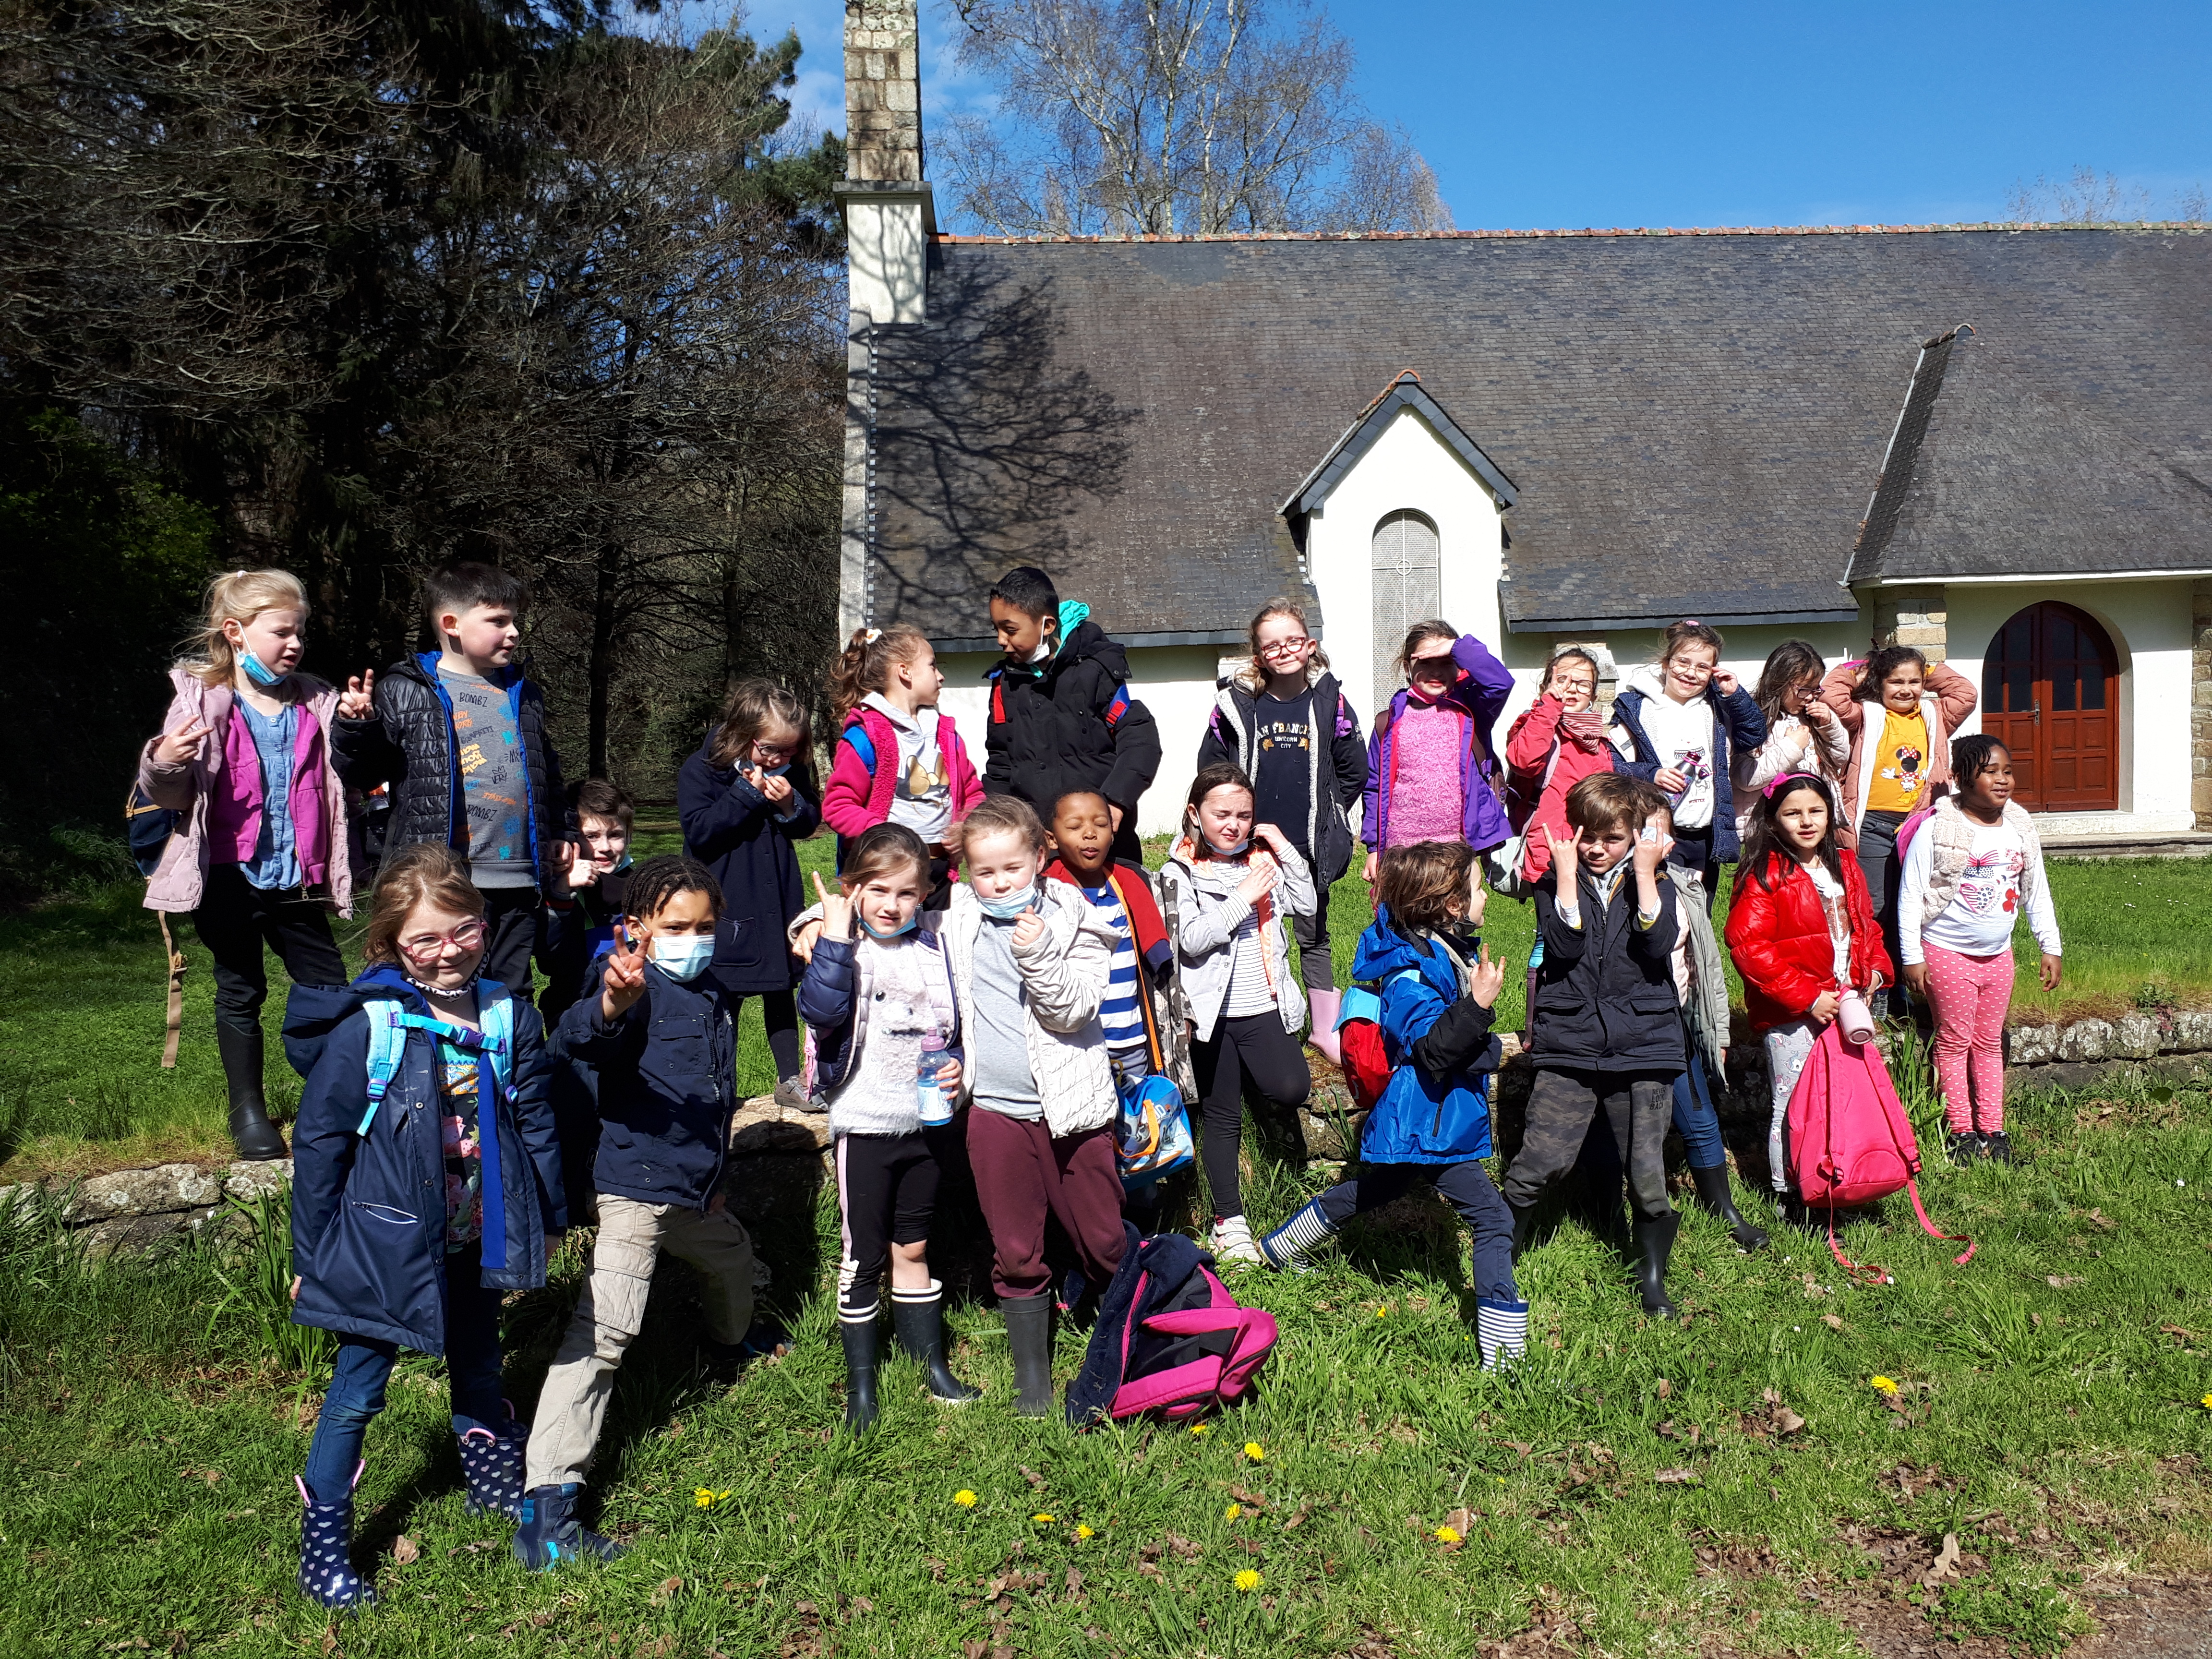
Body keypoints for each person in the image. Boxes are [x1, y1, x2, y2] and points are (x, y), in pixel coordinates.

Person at [283, 844, 565, 1609]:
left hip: (480, 1229)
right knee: (357, 1391)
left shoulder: (508, 1016)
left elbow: (535, 1121)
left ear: (485, 924)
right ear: (390, 946)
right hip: (383, 1243)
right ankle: (326, 1548)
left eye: (464, 931)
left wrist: (549, 1218)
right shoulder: (370, 1027)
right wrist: (313, 1254)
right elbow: (320, 1145)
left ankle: (490, 1480)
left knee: (480, 1358)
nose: (450, 952)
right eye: (426, 941)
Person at [517, 856, 781, 1569]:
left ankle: (729, 1344)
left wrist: (716, 1176)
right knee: (605, 1332)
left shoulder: (717, 993)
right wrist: (611, 1003)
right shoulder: (629, 988)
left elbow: (719, 1095)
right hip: (635, 1190)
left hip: (694, 1191)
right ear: (637, 929)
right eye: (674, 928)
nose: (691, 939)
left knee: (732, 1263)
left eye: (704, 927)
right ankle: (547, 1506)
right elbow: (578, 1036)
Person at [1256, 842, 1527, 1369]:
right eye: (1476, 888)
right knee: (1493, 1219)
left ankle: (1276, 1251)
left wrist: (1487, 1044)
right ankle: (1504, 1358)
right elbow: (1431, 1049)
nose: (1485, 899)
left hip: (1420, 1120)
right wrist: (1479, 1008)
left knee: (1369, 1192)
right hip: (1427, 1122)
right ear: (1450, 905)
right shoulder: (1412, 973)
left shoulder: (1434, 950)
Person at [139, 568, 371, 1160]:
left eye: (300, 634)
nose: (294, 645)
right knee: (239, 986)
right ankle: (247, 1108)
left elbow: (354, 774)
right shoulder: (202, 699)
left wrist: (355, 726)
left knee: (327, 986)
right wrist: (165, 759)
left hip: (298, 876)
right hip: (227, 876)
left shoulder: (318, 701)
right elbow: (165, 791)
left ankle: (334, 1099)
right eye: (282, 633)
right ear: (236, 633)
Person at [943, 796, 1124, 1416]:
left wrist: (1040, 953)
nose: (999, 883)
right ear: (968, 872)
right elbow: (891, 902)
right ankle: (1033, 1381)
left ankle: (1123, 1339)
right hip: (994, 1110)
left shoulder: (1078, 919)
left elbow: (1073, 1010)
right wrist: (815, 924)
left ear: (1041, 858)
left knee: (1101, 1239)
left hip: (1072, 1111)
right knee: (1016, 1247)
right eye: (985, 871)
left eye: (1012, 869)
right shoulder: (961, 916)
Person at [795, 825, 977, 1431]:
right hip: (866, 1125)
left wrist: (953, 1063)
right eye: (877, 890)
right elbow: (821, 1012)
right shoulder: (842, 948)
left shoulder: (934, 947)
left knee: (915, 1245)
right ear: (853, 891)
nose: (891, 904)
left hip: (925, 1125)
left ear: (924, 895)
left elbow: (947, 1028)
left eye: (905, 893)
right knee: (862, 1256)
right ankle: (863, 1387)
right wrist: (830, 936)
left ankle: (931, 1367)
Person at [339, 560, 576, 999]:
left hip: (520, 879)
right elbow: (365, 774)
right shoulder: (407, 688)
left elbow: (549, 772)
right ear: (451, 624)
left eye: (515, 621)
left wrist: (562, 830)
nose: (514, 632)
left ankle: (506, 1069)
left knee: (511, 992)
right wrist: (358, 729)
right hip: (444, 879)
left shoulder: (523, 693)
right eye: (498, 621)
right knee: (436, 988)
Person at [1503, 773, 1683, 1317]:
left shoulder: (1657, 881)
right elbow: (1563, 945)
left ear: (1636, 836)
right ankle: (1499, 1254)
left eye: (1613, 839)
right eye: (1588, 837)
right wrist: (1562, 878)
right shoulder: (1555, 883)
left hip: (1645, 1042)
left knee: (1649, 1174)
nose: (1598, 850)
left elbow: (1657, 944)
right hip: (1571, 1040)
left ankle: (1651, 1276)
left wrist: (1648, 874)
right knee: (1541, 1158)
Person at [1196, 598, 1366, 1061]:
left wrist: (1331, 814)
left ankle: (1324, 1027)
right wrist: (1224, 822)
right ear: (1258, 656)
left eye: (1294, 641)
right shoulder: (1237, 705)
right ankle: (1257, 1021)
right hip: (1247, 848)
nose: (1285, 650)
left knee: (1313, 934)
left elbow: (1355, 768)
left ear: (1310, 645)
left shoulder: (1330, 702)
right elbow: (1210, 768)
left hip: (1308, 847)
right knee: (1253, 932)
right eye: (1273, 645)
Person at [1159, 763, 1316, 1264]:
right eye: (1221, 813)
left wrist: (1284, 848)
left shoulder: (1262, 860)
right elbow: (1191, 940)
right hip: (1213, 1016)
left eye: (1244, 815)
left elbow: (1307, 903)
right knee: (1222, 1118)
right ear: (1195, 813)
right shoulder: (1178, 871)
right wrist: (1241, 899)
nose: (1233, 824)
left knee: (1292, 1086)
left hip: (1263, 1004)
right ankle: (1231, 1225)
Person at [1724, 774, 1892, 1228]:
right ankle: (1791, 1193)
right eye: (1793, 813)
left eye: (1815, 811)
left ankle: (1836, 1180)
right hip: (1793, 1012)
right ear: (1773, 820)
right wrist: (1806, 997)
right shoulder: (1765, 872)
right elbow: (1748, 946)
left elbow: (1865, 925)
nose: (1806, 822)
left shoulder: (1844, 864)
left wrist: (1874, 968)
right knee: (1794, 1101)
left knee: (1839, 1097)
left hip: (1846, 1001)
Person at [1899, 736, 2062, 1166]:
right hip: (1947, 952)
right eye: (1990, 771)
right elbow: (1911, 895)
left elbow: (2036, 890)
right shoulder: (1940, 827)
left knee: (1989, 1042)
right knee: (1954, 1041)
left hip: (1998, 955)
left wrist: (2050, 944)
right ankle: (1961, 1132)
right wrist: (1912, 956)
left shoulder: (2020, 826)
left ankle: (1994, 1128)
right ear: (1961, 779)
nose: (2002, 780)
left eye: (2007, 771)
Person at [677, 679, 819, 1112]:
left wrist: (791, 804)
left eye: (790, 752)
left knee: (781, 987)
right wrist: (745, 795)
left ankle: (790, 1079)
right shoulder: (702, 771)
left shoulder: (786, 773)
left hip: (777, 897)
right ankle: (720, 1082)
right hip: (726, 900)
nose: (780, 760)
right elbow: (700, 832)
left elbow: (808, 823)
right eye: (771, 749)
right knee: (727, 994)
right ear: (742, 735)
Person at [1819, 645, 1977, 1016]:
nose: (1906, 689)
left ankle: (1905, 986)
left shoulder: (1936, 716)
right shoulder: (1867, 716)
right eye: (1896, 681)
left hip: (1918, 825)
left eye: (1915, 681)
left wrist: (1931, 667)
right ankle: (1876, 983)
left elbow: (1965, 693)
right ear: (1880, 683)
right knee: (1876, 906)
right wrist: (1863, 667)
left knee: (1913, 907)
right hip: (1873, 823)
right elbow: (1832, 694)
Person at [982, 565, 1162, 865]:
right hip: (1040, 849)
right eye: (997, 629)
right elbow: (1001, 761)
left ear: (1048, 625)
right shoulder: (1004, 685)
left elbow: (1140, 739)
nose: (1001, 640)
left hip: (1107, 848)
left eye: (1010, 630)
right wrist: (998, 819)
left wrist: (1116, 802)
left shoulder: (1095, 670)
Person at [1651, 802, 1768, 1251]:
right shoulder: (1608, 890)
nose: (1649, 842)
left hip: (1677, 1023)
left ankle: (1724, 1209)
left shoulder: (1685, 888)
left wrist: (1718, 1031)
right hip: (1628, 1029)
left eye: (1658, 831)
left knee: (1699, 1117)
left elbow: (1708, 967)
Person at [821, 623, 985, 904]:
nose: (941, 676)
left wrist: (965, 828)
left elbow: (974, 794)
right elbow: (838, 807)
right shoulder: (865, 737)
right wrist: (885, 834)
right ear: (905, 672)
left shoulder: (946, 736)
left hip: (938, 873)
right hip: (885, 878)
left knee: (938, 944)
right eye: (933, 666)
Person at [1608, 620, 1766, 904]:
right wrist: (1651, 775)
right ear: (1666, 664)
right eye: (1683, 662)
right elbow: (1612, 765)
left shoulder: (1716, 708)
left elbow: (1754, 734)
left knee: (1698, 914)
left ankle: (1695, 952)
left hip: (1705, 834)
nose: (1691, 673)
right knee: (1658, 910)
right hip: (1654, 831)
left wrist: (1734, 695)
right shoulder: (1638, 708)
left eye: (1703, 667)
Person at [1361, 619, 1515, 879]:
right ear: (1407, 666)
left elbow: (1500, 682)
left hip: (1456, 847)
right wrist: (1375, 848)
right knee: (1402, 919)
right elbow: (1375, 786)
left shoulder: (1473, 709)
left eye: (1445, 662)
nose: (1436, 672)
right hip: (1402, 850)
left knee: (1453, 917)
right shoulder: (1388, 721)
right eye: (1425, 662)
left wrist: (1457, 647)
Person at [1503, 646, 1617, 887]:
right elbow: (1523, 761)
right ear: (1546, 687)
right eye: (1562, 680)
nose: (1572, 688)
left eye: (1583, 684)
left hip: (1593, 852)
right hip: (1550, 852)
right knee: (1554, 923)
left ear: (1594, 696)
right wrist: (1550, 707)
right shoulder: (1536, 725)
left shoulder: (1598, 741)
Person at [538, 779, 636, 1023]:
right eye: (591, 836)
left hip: (635, 1006)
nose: (605, 848)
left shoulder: (644, 885)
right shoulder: (555, 886)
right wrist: (562, 890)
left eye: (615, 835)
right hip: (574, 1008)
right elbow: (548, 957)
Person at [1733, 639, 1849, 832]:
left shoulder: (1811, 717)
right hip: (1764, 830)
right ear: (1779, 682)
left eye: (1816, 689)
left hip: (1809, 825)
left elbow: (1840, 759)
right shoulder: (1754, 719)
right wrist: (1791, 747)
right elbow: (1745, 778)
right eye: (1804, 689)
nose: (1811, 696)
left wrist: (1830, 726)